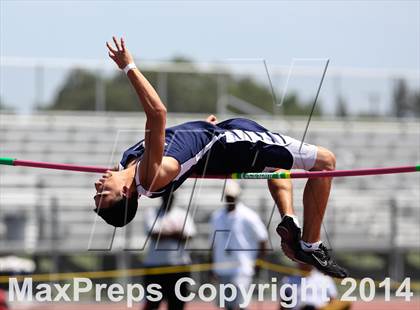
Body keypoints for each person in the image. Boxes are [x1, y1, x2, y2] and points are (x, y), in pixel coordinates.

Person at [94, 36, 348, 278]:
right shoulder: (148, 178)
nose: (97, 186)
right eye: (103, 194)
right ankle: (311, 244)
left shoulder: (127, 161)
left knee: (275, 166)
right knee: (326, 162)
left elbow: (175, 146)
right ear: (126, 192)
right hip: (231, 143)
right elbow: (158, 113)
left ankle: (289, 220)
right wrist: (128, 66)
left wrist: (201, 128)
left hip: (218, 136)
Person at [210, 180, 268, 310]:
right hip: (222, 267)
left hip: (242, 268)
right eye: (228, 197)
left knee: (241, 305)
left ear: (238, 197)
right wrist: (212, 266)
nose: (230, 200)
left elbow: (263, 239)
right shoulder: (217, 216)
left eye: (232, 197)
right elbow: (213, 244)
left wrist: (259, 262)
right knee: (226, 305)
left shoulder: (249, 216)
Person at [142, 191, 196, 310]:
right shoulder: (151, 213)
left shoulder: (182, 214)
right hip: (155, 267)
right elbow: (154, 234)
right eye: (166, 197)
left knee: (177, 304)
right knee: (152, 303)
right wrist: (176, 233)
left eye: (170, 197)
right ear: (161, 198)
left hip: (179, 267)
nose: (168, 200)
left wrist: (165, 233)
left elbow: (189, 236)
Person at [279, 263, 352, 310]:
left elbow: (333, 300)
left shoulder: (325, 279)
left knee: (346, 302)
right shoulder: (288, 281)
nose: (304, 263)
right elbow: (283, 304)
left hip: (320, 309)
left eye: (306, 260)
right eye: (301, 261)